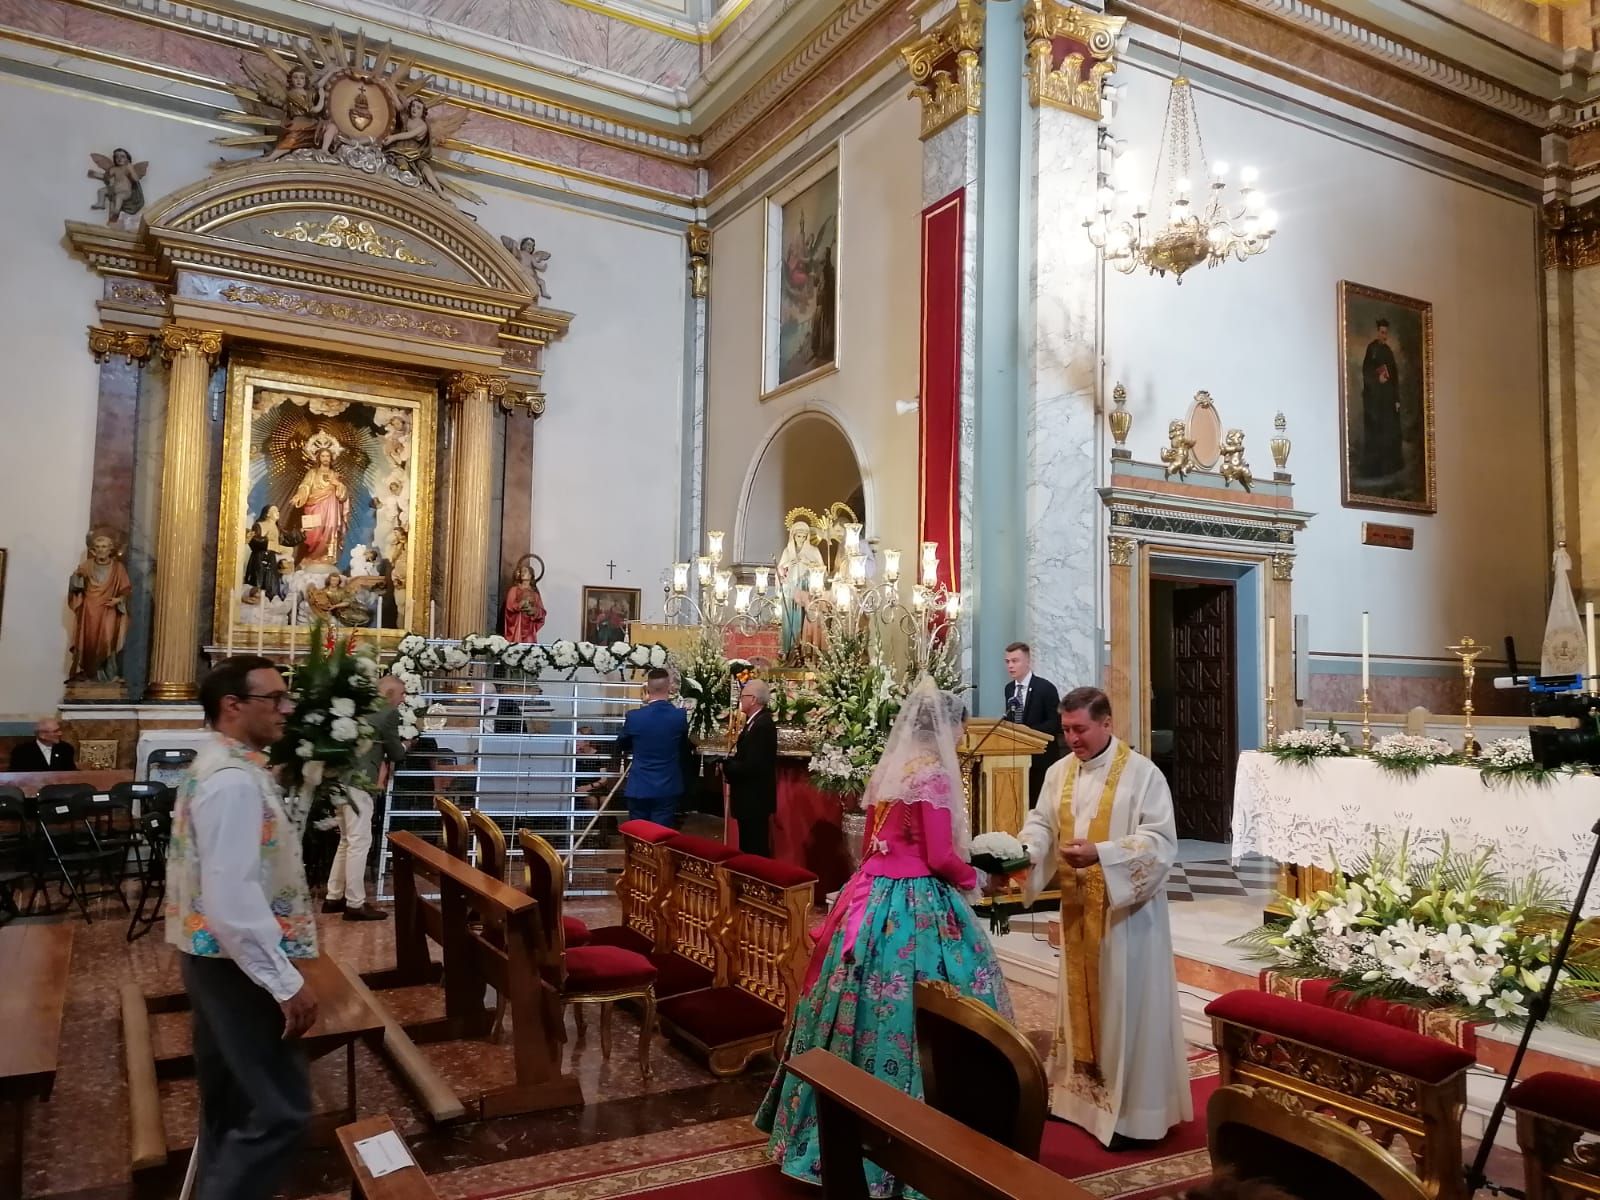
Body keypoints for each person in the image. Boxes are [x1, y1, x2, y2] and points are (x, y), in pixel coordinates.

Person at [756, 677, 1013, 1196]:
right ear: (948, 728)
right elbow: (940, 856)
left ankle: (826, 1126)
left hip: (871, 898)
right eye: (959, 729)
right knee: (936, 1004)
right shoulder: (937, 777)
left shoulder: (893, 770)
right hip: (915, 905)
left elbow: (874, 841)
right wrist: (977, 878)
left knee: (851, 1006)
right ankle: (926, 1131)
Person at [165, 656, 317, 1200]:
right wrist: (283, 981)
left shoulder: (222, 766)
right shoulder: (231, 782)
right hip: (234, 965)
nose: (286, 709)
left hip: (214, 958)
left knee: (231, 1103)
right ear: (233, 706)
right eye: (274, 699)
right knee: (281, 1111)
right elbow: (231, 895)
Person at [1013, 686, 1189, 1149]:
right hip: (1077, 913)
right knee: (1082, 1007)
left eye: (1080, 729)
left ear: (1107, 723)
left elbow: (1159, 842)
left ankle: (1134, 1115)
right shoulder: (1058, 773)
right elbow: (1043, 823)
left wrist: (1103, 855)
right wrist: (1024, 853)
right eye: (1066, 729)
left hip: (1126, 918)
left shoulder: (1142, 775)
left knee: (1125, 1007)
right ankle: (1080, 1103)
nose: (1071, 738)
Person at [323, 675, 408, 921]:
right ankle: (355, 903)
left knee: (347, 841)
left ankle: (333, 895)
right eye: (401, 694)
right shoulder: (388, 714)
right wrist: (406, 746)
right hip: (359, 782)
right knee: (359, 842)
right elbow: (394, 751)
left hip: (340, 779)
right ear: (390, 694)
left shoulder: (359, 708)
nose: (404, 699)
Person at [616, 668, 692, 825]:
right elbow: (684, 747)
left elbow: (621, 744)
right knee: (660, 838)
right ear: (669, 688)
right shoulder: (679, 716)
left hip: (639, 784)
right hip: (667, 785)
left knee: (638, 837)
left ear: (647, 688)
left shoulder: (635, 717)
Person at [67, 528, 134, 683]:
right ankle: (88, 673)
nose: (101, 550)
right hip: (89, 611)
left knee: (108, 640)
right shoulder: (86, 566)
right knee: (88, 641)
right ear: (93, 550)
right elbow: (75, 586)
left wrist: (118, 600)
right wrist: (77, 579)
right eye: (98, 547)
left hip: (109, 610)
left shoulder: (118, 568)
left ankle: (109, 675)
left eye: (104, 546)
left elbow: (126, 589)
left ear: (110, 549)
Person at [1002, 641, 1063, 803]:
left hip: (1041, 759)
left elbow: (1056, 723)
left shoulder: (1045, 688)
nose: (1010, 666)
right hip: (1016, 759)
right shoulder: (1009, 689)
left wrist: (1027, 732)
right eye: (1007, 661)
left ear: (1028, 661)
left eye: (1015, 661)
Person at [724, 679, 778, 856]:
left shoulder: (763, 724)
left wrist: (728, 766)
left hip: (755, 798)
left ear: (753, 699)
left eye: (743, 696)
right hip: (749, 798)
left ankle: (755, 881)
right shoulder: (754, 721)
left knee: (755, 847)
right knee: (748, 843)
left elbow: (754, 765)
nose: (740, 699)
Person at [1358, 317, 1403, 481]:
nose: (1384, 336)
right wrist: (1377, 380)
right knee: (1376, 433)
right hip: (1375, 401)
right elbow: (1366, 371)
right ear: (1378, 332)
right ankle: (1375, 470)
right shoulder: (1372, 349)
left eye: (1386, 333)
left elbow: (1395, 376)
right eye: (1382, 333)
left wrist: (1396, 399)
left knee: (1390, 431)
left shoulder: (1389, 351)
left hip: (1388, 399)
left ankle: (1391, 468)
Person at [8, 718, 77, 771]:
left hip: (61, 788)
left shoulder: (65, 748)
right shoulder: (22, 751)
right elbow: (15, 776)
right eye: (56, 731)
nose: (60, 733)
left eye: (59, 730)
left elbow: (71, 772)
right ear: (42, 735)